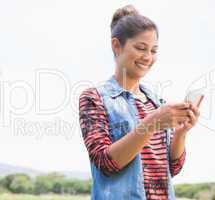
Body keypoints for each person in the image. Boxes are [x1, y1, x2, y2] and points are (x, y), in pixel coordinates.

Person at [79, 5, 201, 200]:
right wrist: (152, 123)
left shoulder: (157, 102)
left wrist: (180, 133)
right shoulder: (94, 98)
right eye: (141, 48)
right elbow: (105, 163)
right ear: (116, 45)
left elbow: (173, 168)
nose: (148, 57)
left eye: (154, 50)